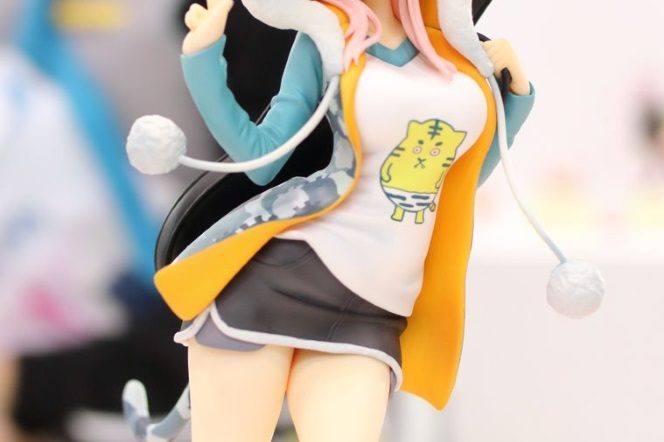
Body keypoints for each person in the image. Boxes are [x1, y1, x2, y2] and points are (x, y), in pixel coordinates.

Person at [145, 0, 535, 440]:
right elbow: (261, 158)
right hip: (276, 286)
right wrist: (202, 56)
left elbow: (455, 182)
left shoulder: (452, 51)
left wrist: (518, 93)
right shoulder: (325, 39)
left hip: (371, 314)